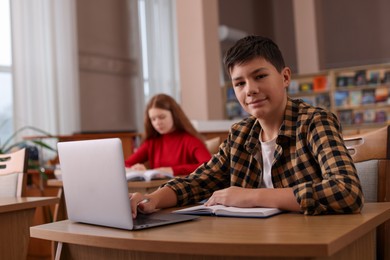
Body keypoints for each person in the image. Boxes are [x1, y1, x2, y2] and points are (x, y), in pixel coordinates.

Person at [129, 35, 364, 218]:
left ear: (285, 77)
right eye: (239, 83)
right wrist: (152, 199)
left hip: (309, 240)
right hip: (252, 240)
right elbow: (197, 182)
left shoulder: (315, 122)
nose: (249, 89)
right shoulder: (240, 134)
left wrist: (252, 197)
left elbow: (347, 191)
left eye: (260, 76)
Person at [125, 93, 211, 176]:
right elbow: (125, 164)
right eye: (153, 119)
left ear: (174, 115)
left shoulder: (190, 140)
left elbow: (209, 165)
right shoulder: (151, 142)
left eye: (162, 117)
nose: (157, 123)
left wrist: (173, 170)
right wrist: (135, 169)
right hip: (158, 188)